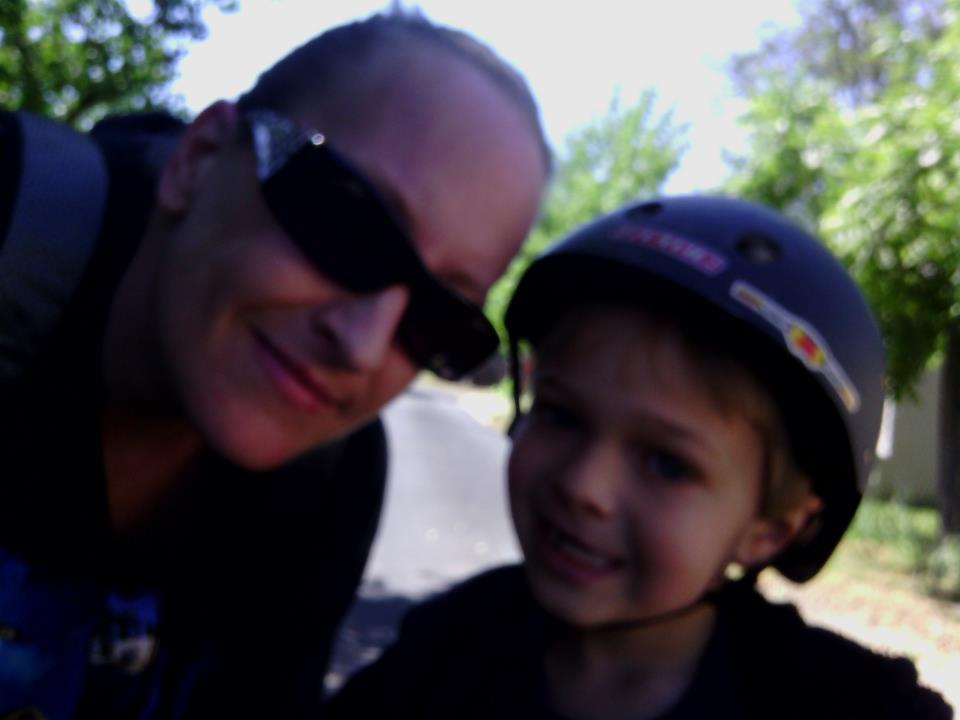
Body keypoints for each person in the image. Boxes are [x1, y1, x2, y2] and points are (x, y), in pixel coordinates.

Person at [0, 8, 549, 718]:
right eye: (349, 223)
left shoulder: (333, 479)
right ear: (199, 159)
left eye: (438, 316)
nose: (361, 345)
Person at [326, 195, 954, 719]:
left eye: (667, 463)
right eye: (561, 415)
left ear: (771, 530)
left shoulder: (849, 708)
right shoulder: (447, 650)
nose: (584, 486)